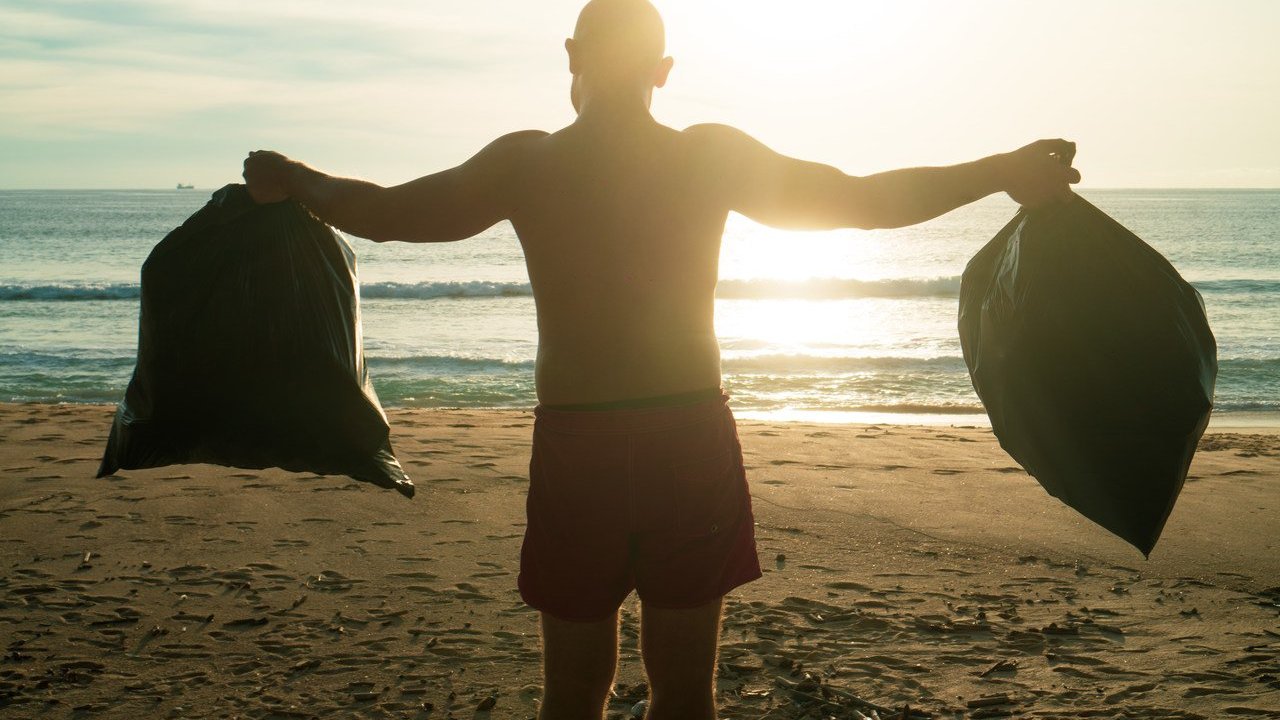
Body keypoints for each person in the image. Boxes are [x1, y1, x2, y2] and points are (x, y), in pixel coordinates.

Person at [243, 1, 1080, 717]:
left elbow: (390, 215)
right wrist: (999, 170)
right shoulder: (703, 155)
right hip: (689, 441)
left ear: (571, 58)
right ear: (665, 70)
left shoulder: (528, 162)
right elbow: (862, 200)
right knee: (684, 697)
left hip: (580, 448)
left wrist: (297, 178)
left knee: (571, 698)